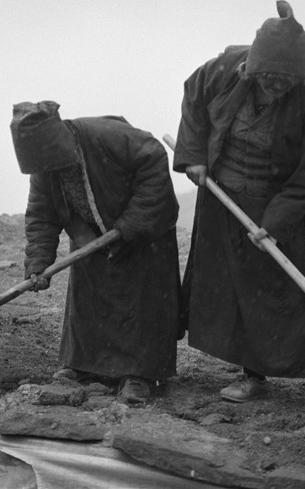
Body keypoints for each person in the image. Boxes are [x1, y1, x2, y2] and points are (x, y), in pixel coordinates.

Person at [172, 0, 305, 402]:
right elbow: (193, 98)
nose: (276, 87)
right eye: (268, 78)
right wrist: (194, 157)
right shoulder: (224, 69)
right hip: (227, 198)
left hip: (290, 200)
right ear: (252, 69)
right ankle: (252, 376)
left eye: (285, 80)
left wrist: (274, 223)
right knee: (241, 291)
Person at [10, 101, 181, 402]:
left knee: (140, 303)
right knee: (89, 302)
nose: (51, 170)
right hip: (89, 235)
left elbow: (153, 156)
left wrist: (131, 224)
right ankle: (84, 365)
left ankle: (138, 374)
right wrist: (37, 264)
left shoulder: (107, 135)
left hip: (142, 230)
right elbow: (41, 215)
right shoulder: (42, 168)